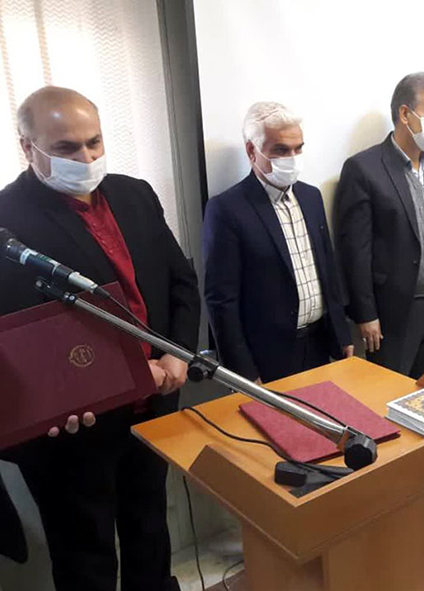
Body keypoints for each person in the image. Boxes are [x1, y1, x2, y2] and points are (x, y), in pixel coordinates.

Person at [0, 86, 200, 591]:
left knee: (150, 532)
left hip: (153, 407)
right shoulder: (7, 222)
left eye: (94, 142)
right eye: (66, 148)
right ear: (27, 148)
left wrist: (177, 352)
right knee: (85, 559)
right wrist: (101, 383)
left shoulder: (135, 194)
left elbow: (180, 281)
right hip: (72, 434)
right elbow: (16, 343)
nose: (86, 158)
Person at [335, 72, 424, 499]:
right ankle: (394, 484)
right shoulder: (365, 169)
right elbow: (354, 250)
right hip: (392, 312)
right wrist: (365, 313)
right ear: (405, 114)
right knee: (388, 401)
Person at [204, 102, 353, 383]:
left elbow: (327, 269)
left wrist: (342, 334)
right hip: (268, 356)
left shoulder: (311, 197)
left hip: (319, 344)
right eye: (281, 150)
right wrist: (243, 372)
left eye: (298, 148)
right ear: (252, 151)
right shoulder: (227, 210)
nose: (292, 158)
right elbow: (221, 300)